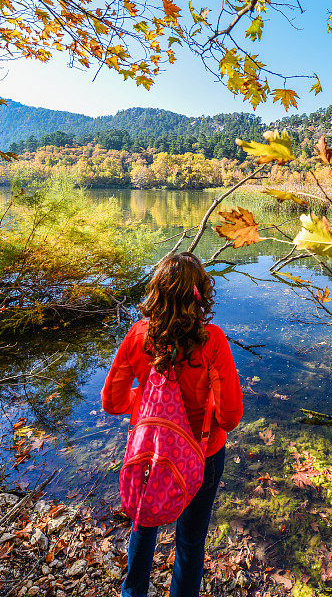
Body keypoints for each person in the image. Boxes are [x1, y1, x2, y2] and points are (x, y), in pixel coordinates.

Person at [101, 252, 243, 597]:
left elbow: (112, 401)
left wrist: (146, 401)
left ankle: (133, 592)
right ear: (200, 295)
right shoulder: (213, 341)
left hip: (149, 452)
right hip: (203, 454)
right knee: (191, 542)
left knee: (144, 523)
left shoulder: (138, 336)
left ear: (157, 293)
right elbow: (230, 417)